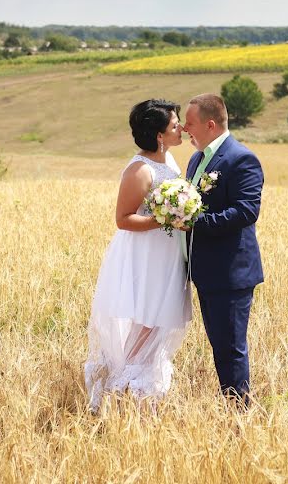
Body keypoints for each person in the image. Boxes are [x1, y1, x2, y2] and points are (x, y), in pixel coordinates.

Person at [83, 99, 192, 411]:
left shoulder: (168, 161)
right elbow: (123, 218)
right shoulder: (140, 170)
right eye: (174, 125)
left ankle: (142, 391)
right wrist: (165, 220)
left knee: (159, 321)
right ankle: (123, 385)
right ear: (159, 134)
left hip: (167, 252)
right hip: (146, 255)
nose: (181, 128)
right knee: (148, 319)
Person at [182, 93, 264, 407]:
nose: (186, 129)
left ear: (210, 124)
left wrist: (194, 222)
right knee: (219, 344)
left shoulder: (241, 158)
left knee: (231, 347)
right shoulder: (195, 159)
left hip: (231, 272)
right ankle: (230, 403)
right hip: (205, 270)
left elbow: (246, 212)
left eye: (190, 123)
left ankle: (239, 411)